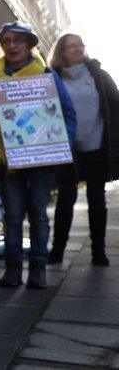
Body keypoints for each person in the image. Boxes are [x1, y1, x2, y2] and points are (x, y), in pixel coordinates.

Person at [0, 21, 76, 289]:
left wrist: (60, 142)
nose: (12, 46)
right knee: (12, 217)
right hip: (6, 161)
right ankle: (12, 271)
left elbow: (67, 114)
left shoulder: (46, 75)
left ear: (30, 45)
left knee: (38, 215)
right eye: (7, 40)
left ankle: (38, 270)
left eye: (18, 40)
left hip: (41, 160)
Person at [48, 32, 119, 266]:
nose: (78, 49)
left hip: (97, 147)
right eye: (72, 46)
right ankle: (57, 251)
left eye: (80, 45)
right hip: (68, 150)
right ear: (62, 52)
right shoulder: (52, 77)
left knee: (97, 200)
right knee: (65, 200)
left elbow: (116, 107)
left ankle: (99, 251)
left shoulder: (99, 75)